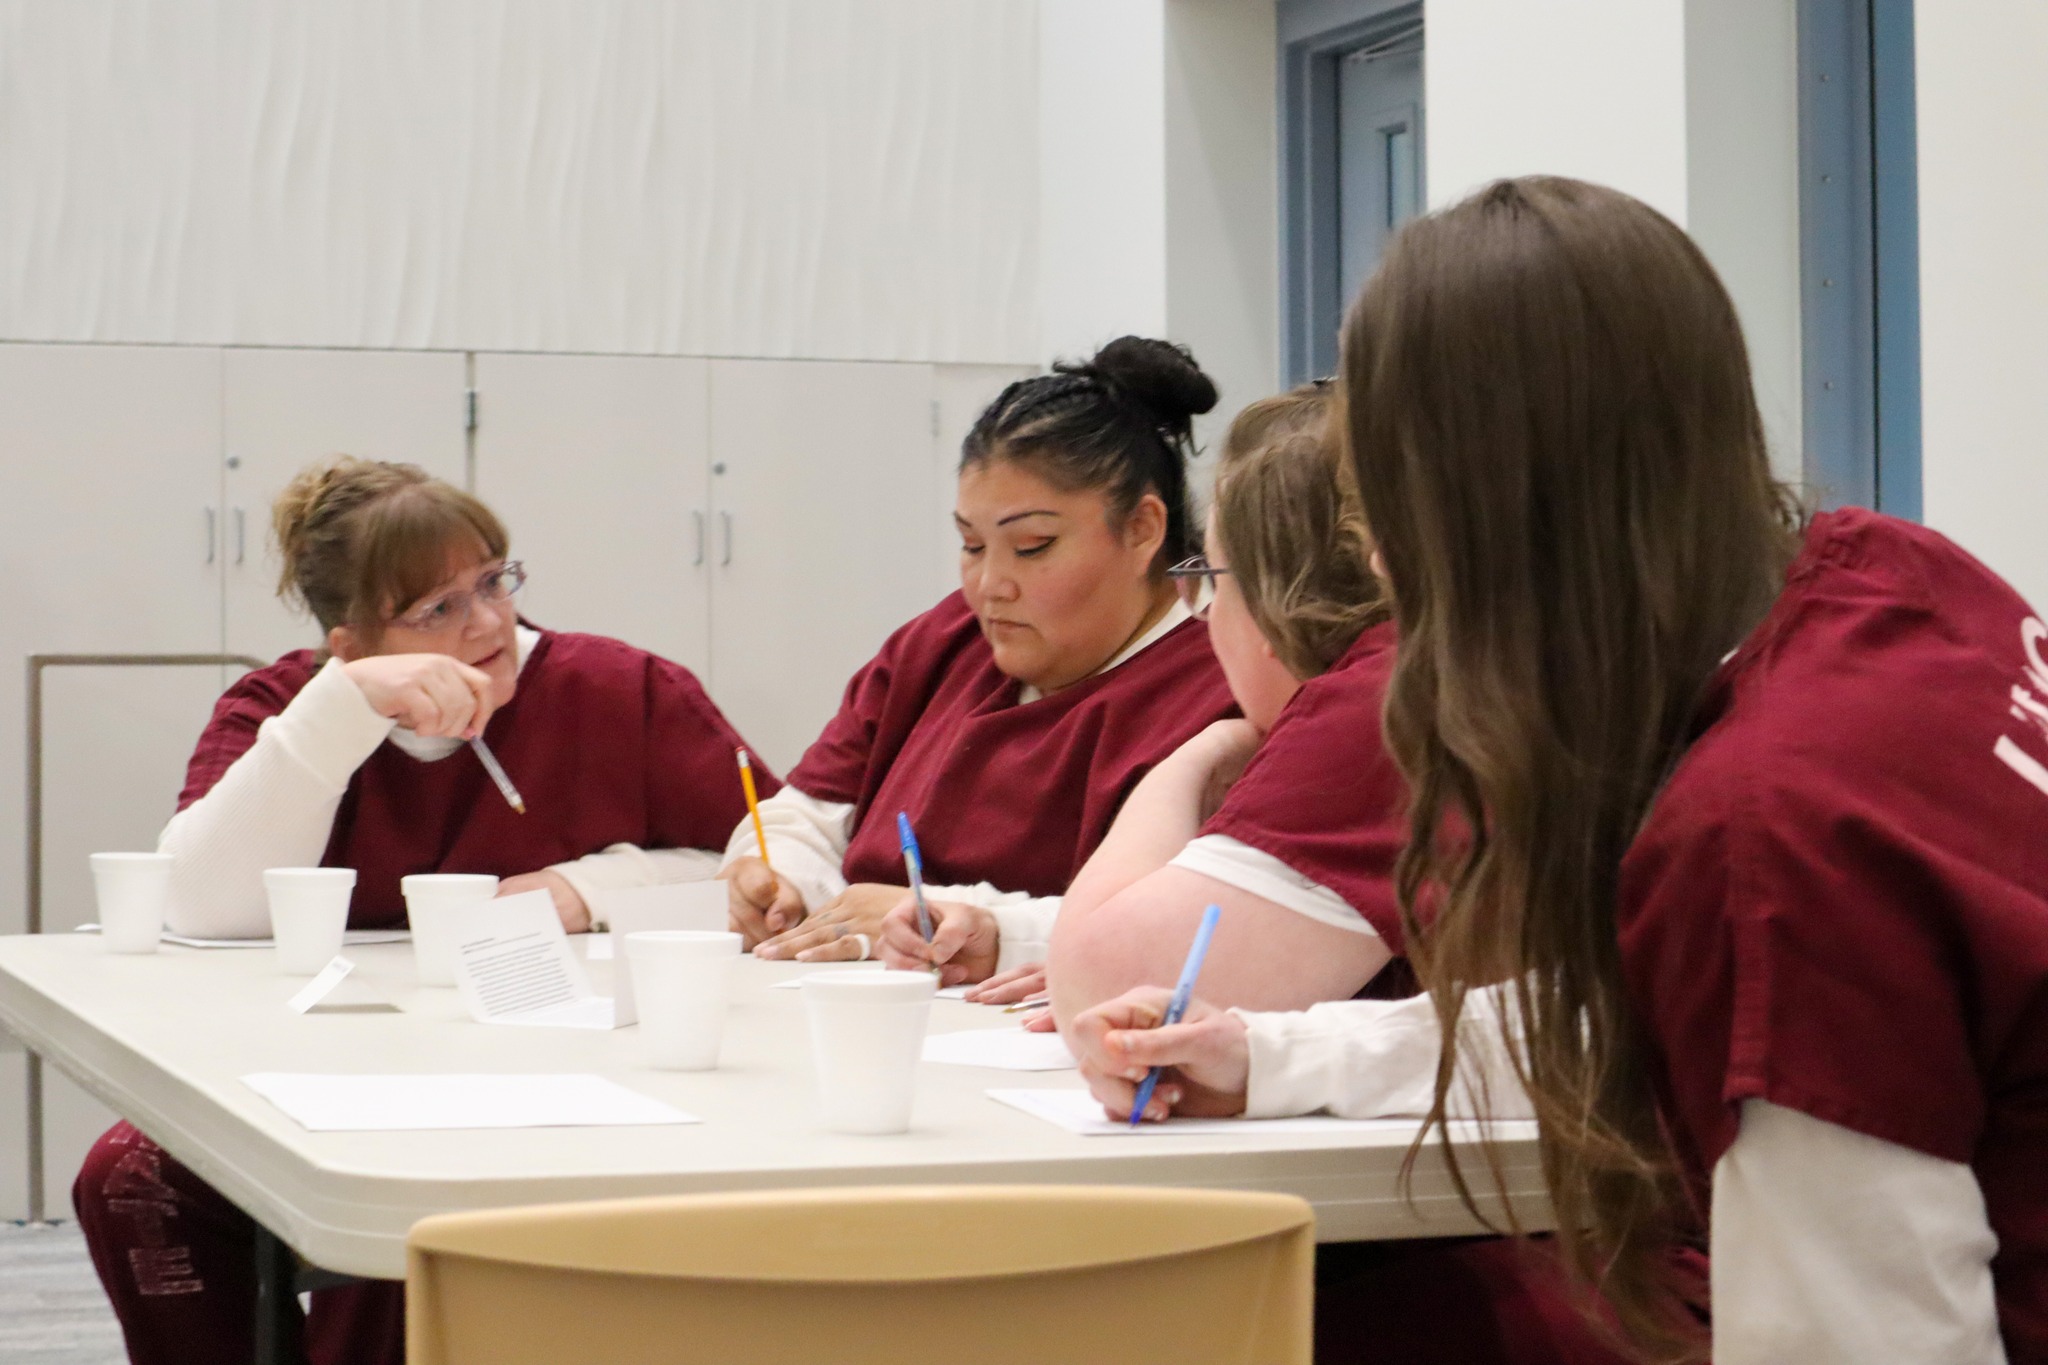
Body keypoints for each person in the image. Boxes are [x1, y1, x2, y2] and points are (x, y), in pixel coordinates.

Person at [1068, 177, 2048, 1365]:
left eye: (1388, 506)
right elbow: (1630, 1009)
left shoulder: (1766, 846)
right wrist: (1276, 1058)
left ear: (1493, 519)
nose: (1376, 557)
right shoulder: (1890, 577)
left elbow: (1860, 1341)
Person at [73, 456, 771, 1365]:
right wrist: (340, 712)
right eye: (435, 609)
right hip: (331, 1075)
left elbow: (763, 863)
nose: (488, 625)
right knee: (130, 1180)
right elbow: (200, 903)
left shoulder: (622, 688)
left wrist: (589, 890)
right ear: (350, 641)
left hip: (580, 1076)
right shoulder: (283, 707)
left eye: (492, 581)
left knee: (420, 1215)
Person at [879, 382, 1402, 1014]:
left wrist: (1198, 755)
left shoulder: (1368, 713)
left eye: (1210, 580)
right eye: (970, 546)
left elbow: (1102, 984)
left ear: (1272, 606)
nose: (991, 585)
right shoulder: (1401, 690)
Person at [720, 337, 1238, 969]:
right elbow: (810, 814)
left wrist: (972, 924)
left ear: (1141, 530)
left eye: (1032, 546)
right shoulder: (944, 642)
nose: (991, 585)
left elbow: (1197, 917)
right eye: (971, 546)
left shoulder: (1223, 686)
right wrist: (781, 878)